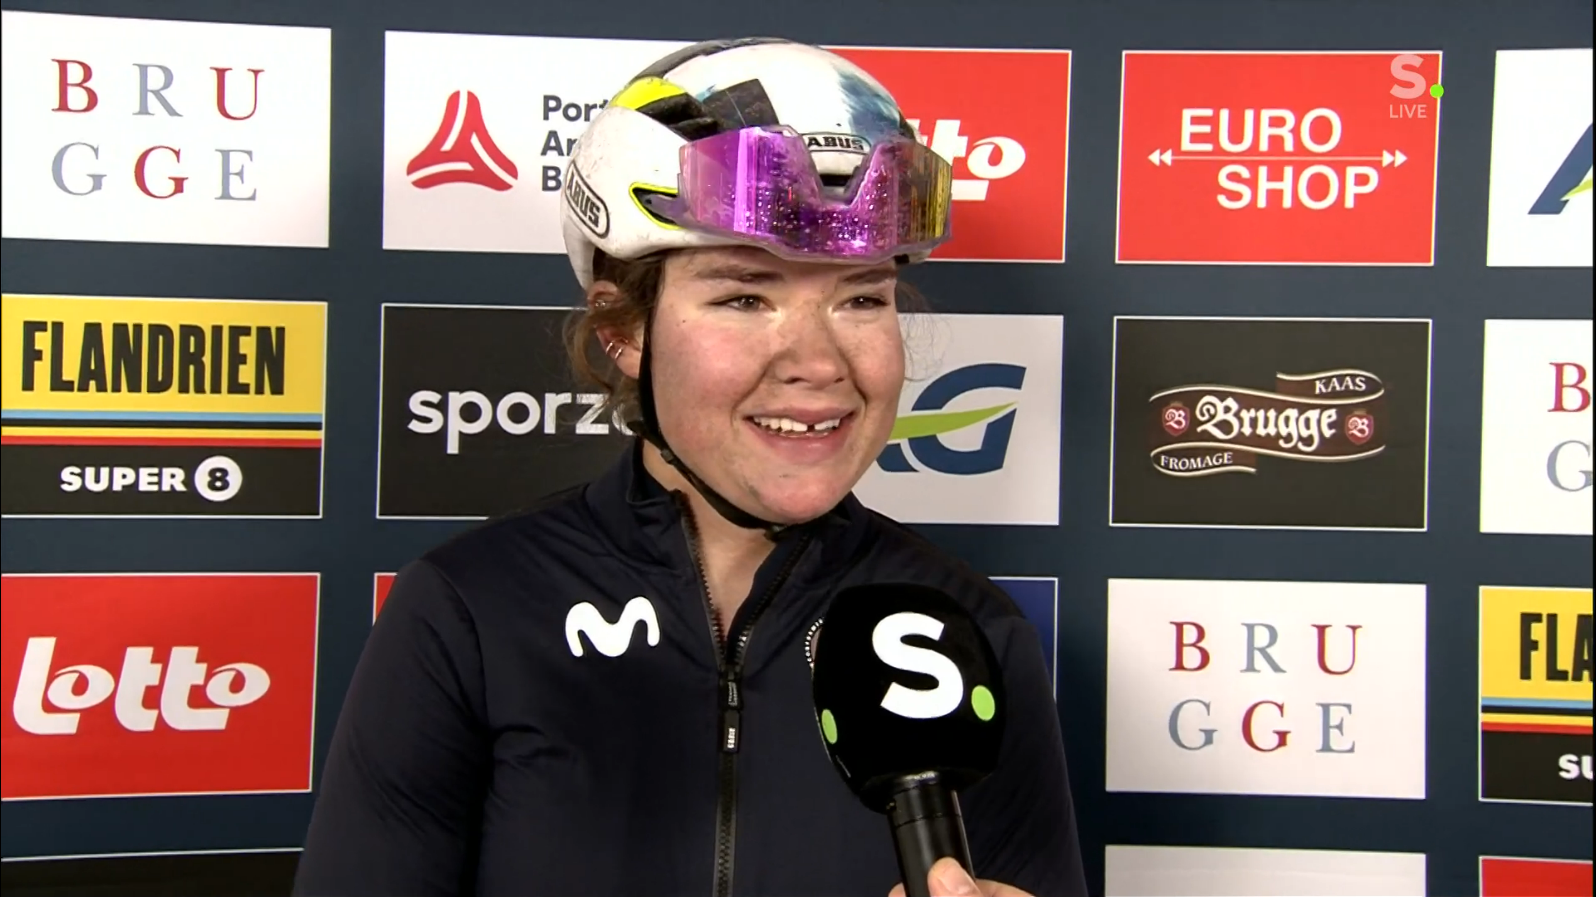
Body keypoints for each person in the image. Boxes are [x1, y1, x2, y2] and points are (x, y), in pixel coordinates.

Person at [293, 37, 1086, 897]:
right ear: (621, 330)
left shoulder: (972, 629)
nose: (818, 362)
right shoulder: (469, 613)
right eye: (744, 296)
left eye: (862, 296)